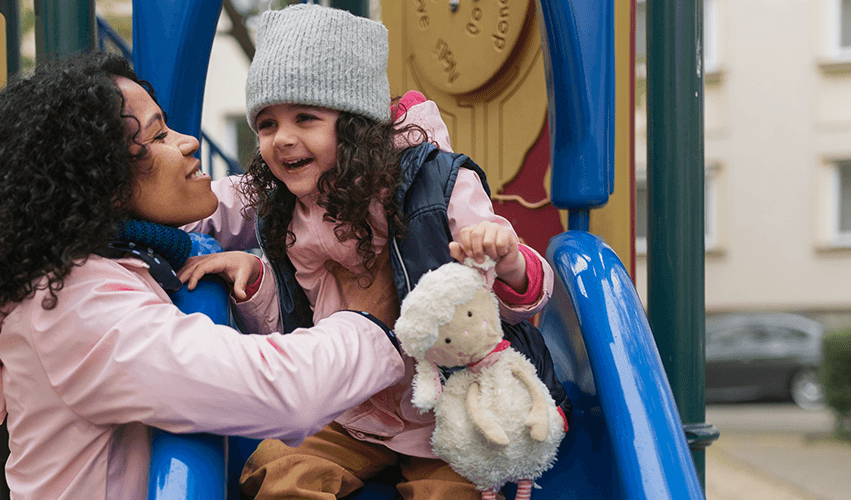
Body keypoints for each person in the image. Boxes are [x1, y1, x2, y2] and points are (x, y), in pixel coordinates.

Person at [0, 52, 408, 500]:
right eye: (158, 135)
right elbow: (279, 390)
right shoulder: (77, 311)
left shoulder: (118, 250)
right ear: (99, 179)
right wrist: (372, 317)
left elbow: (235, 203)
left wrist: (330, 184)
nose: (187, 142)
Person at [177, 5, 565, 499]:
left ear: (357, 124)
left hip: (447, 412)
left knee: (448, 494)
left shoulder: (436, 187)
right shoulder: (287, 199)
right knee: (279, 471)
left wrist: (507, 261)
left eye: (306, 117)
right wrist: (253, 279)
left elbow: (513, 300)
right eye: (268, 124)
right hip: (352, 409)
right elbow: (289, 305)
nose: (283, 139)